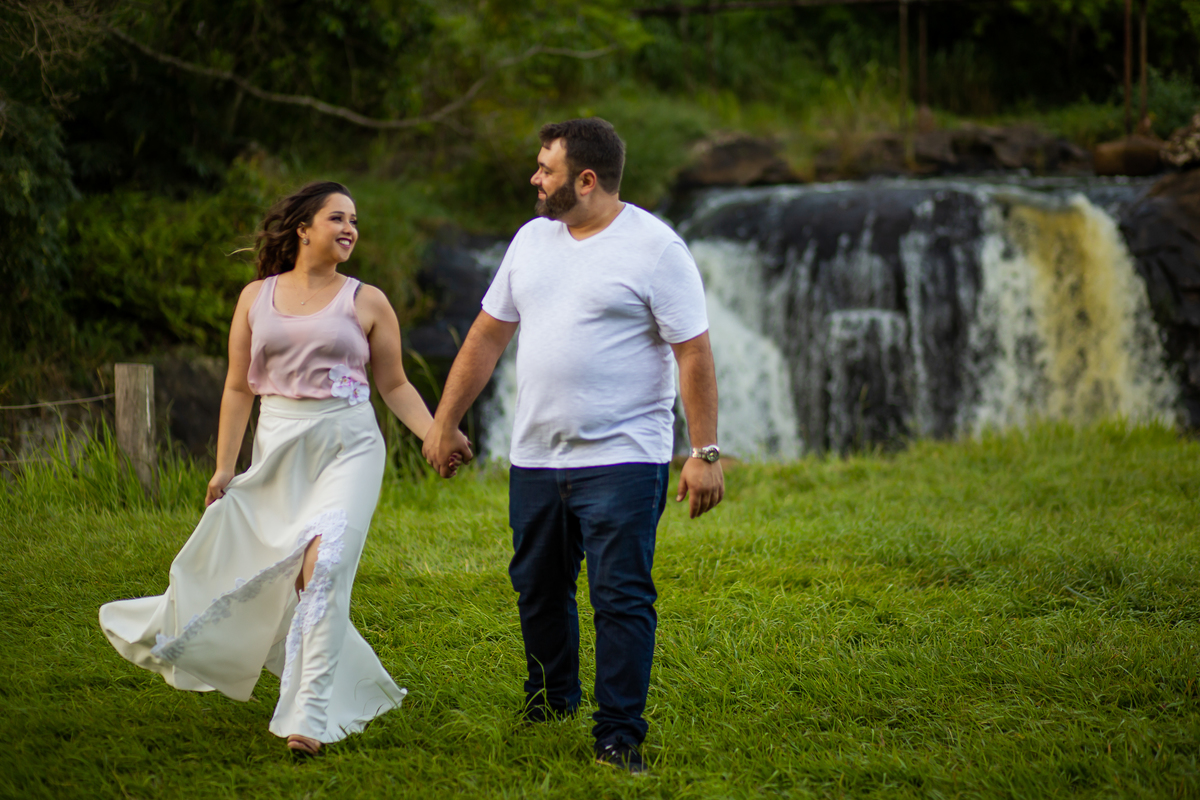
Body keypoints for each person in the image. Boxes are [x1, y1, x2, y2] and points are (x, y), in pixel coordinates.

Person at [99, 181, 467, 758]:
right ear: (303, 228)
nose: (350, 229)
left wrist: (435, 435)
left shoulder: (367, 300)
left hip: (349, 444)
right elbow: (237, 385)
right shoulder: (255, 297)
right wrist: (225, 467)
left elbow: (393, 384)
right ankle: (341, 681)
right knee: (271, 572)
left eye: (355, 221)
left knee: (325, 567)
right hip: (278, 445)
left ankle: (309, 718)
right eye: (337, 218)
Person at [423, 118, 724, 773]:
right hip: (535, 455)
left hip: (623, 457)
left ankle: (618, 735)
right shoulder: (532, 240)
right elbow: (485, 336)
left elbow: (693, 352)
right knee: (537, 586)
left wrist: (703, 454)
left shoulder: (655, 248)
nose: (534, 179)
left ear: (586, 180)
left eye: (546, 169)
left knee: (619, 597)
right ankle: (551, 701)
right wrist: (444, 421)